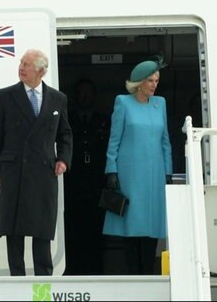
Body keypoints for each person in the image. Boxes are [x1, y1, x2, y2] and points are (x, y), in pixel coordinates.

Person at [0, 48, 73, 276]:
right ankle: (17, 283)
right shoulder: (5, 96)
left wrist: (63, 159)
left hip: (44, 173)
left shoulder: (57, 98)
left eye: (27, 64)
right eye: (21, 63)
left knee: (41, 230)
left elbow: (65, 134)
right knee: (14, 232)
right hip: (14, 171)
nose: (21, 68)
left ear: (41, 71)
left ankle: (43, 288)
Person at [103, 58, 173, 275]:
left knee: (152, 227)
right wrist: (111, 169)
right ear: (139, 83)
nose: (154, 85)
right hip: (130, 173)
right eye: (150, 80)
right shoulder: (123, 102)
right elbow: (114, 140)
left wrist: (168, 171)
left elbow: (165, 140)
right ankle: (135, 275)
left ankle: (149, 274)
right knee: (131, 227)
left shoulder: (159, 103)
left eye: (157, 80)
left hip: (155, 174)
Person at [63, 79, 110, 275]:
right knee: (73, 231)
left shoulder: (103, 120)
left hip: (96, 184)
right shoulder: (68, 120)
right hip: (72, 185)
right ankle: (73, 272)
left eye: (88, 93)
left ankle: (96, 272)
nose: (84, 97)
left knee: (96, 230)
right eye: (81, 93)